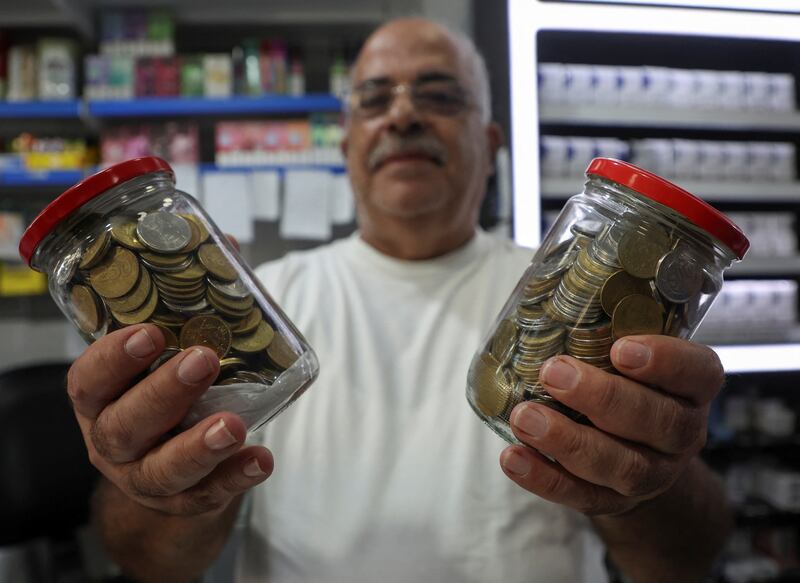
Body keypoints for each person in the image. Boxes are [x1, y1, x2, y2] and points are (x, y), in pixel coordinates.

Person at [68, 17, 733, 583]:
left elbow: (683, 560)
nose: (405, 114)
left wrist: (651, 483)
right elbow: (151, 563)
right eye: (375, 98)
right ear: (349, 139)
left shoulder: (575, 305)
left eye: (441, 96)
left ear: (491, 143)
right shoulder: (264, 309)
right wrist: (159, 488)